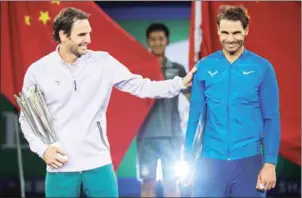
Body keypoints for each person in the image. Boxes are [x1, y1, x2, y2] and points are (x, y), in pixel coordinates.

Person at [18, 8, 196, 198]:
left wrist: (179, 83)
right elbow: (28, 119)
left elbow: (142, 87)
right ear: (63, 35)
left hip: (99, 164)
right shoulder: (38, 71)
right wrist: (43, 149)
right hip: (60, 166)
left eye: (89, 33)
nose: (88, 39)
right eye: (82, 34)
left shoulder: (104, 62)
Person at [185, 5, 280, 197]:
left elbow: (271, 118)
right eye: (225, 32)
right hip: (209, 163)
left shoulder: (262, 68)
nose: (230, 39)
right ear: (218, 30)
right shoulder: (204, 67)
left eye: (236, 32)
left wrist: (270, 163)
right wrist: (188, 159)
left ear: (246, 30)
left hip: (249, 163)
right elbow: (195, 118)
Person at [136, 23, 189, 198]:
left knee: (172, 184)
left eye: (161, 39)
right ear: (148, 42)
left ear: (167, 41)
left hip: (172, 136)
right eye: (153, 39)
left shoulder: (178, 69)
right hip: (146, 136)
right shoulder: (139, 70)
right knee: (147, 183)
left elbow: (191, 98)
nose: (157, 43)